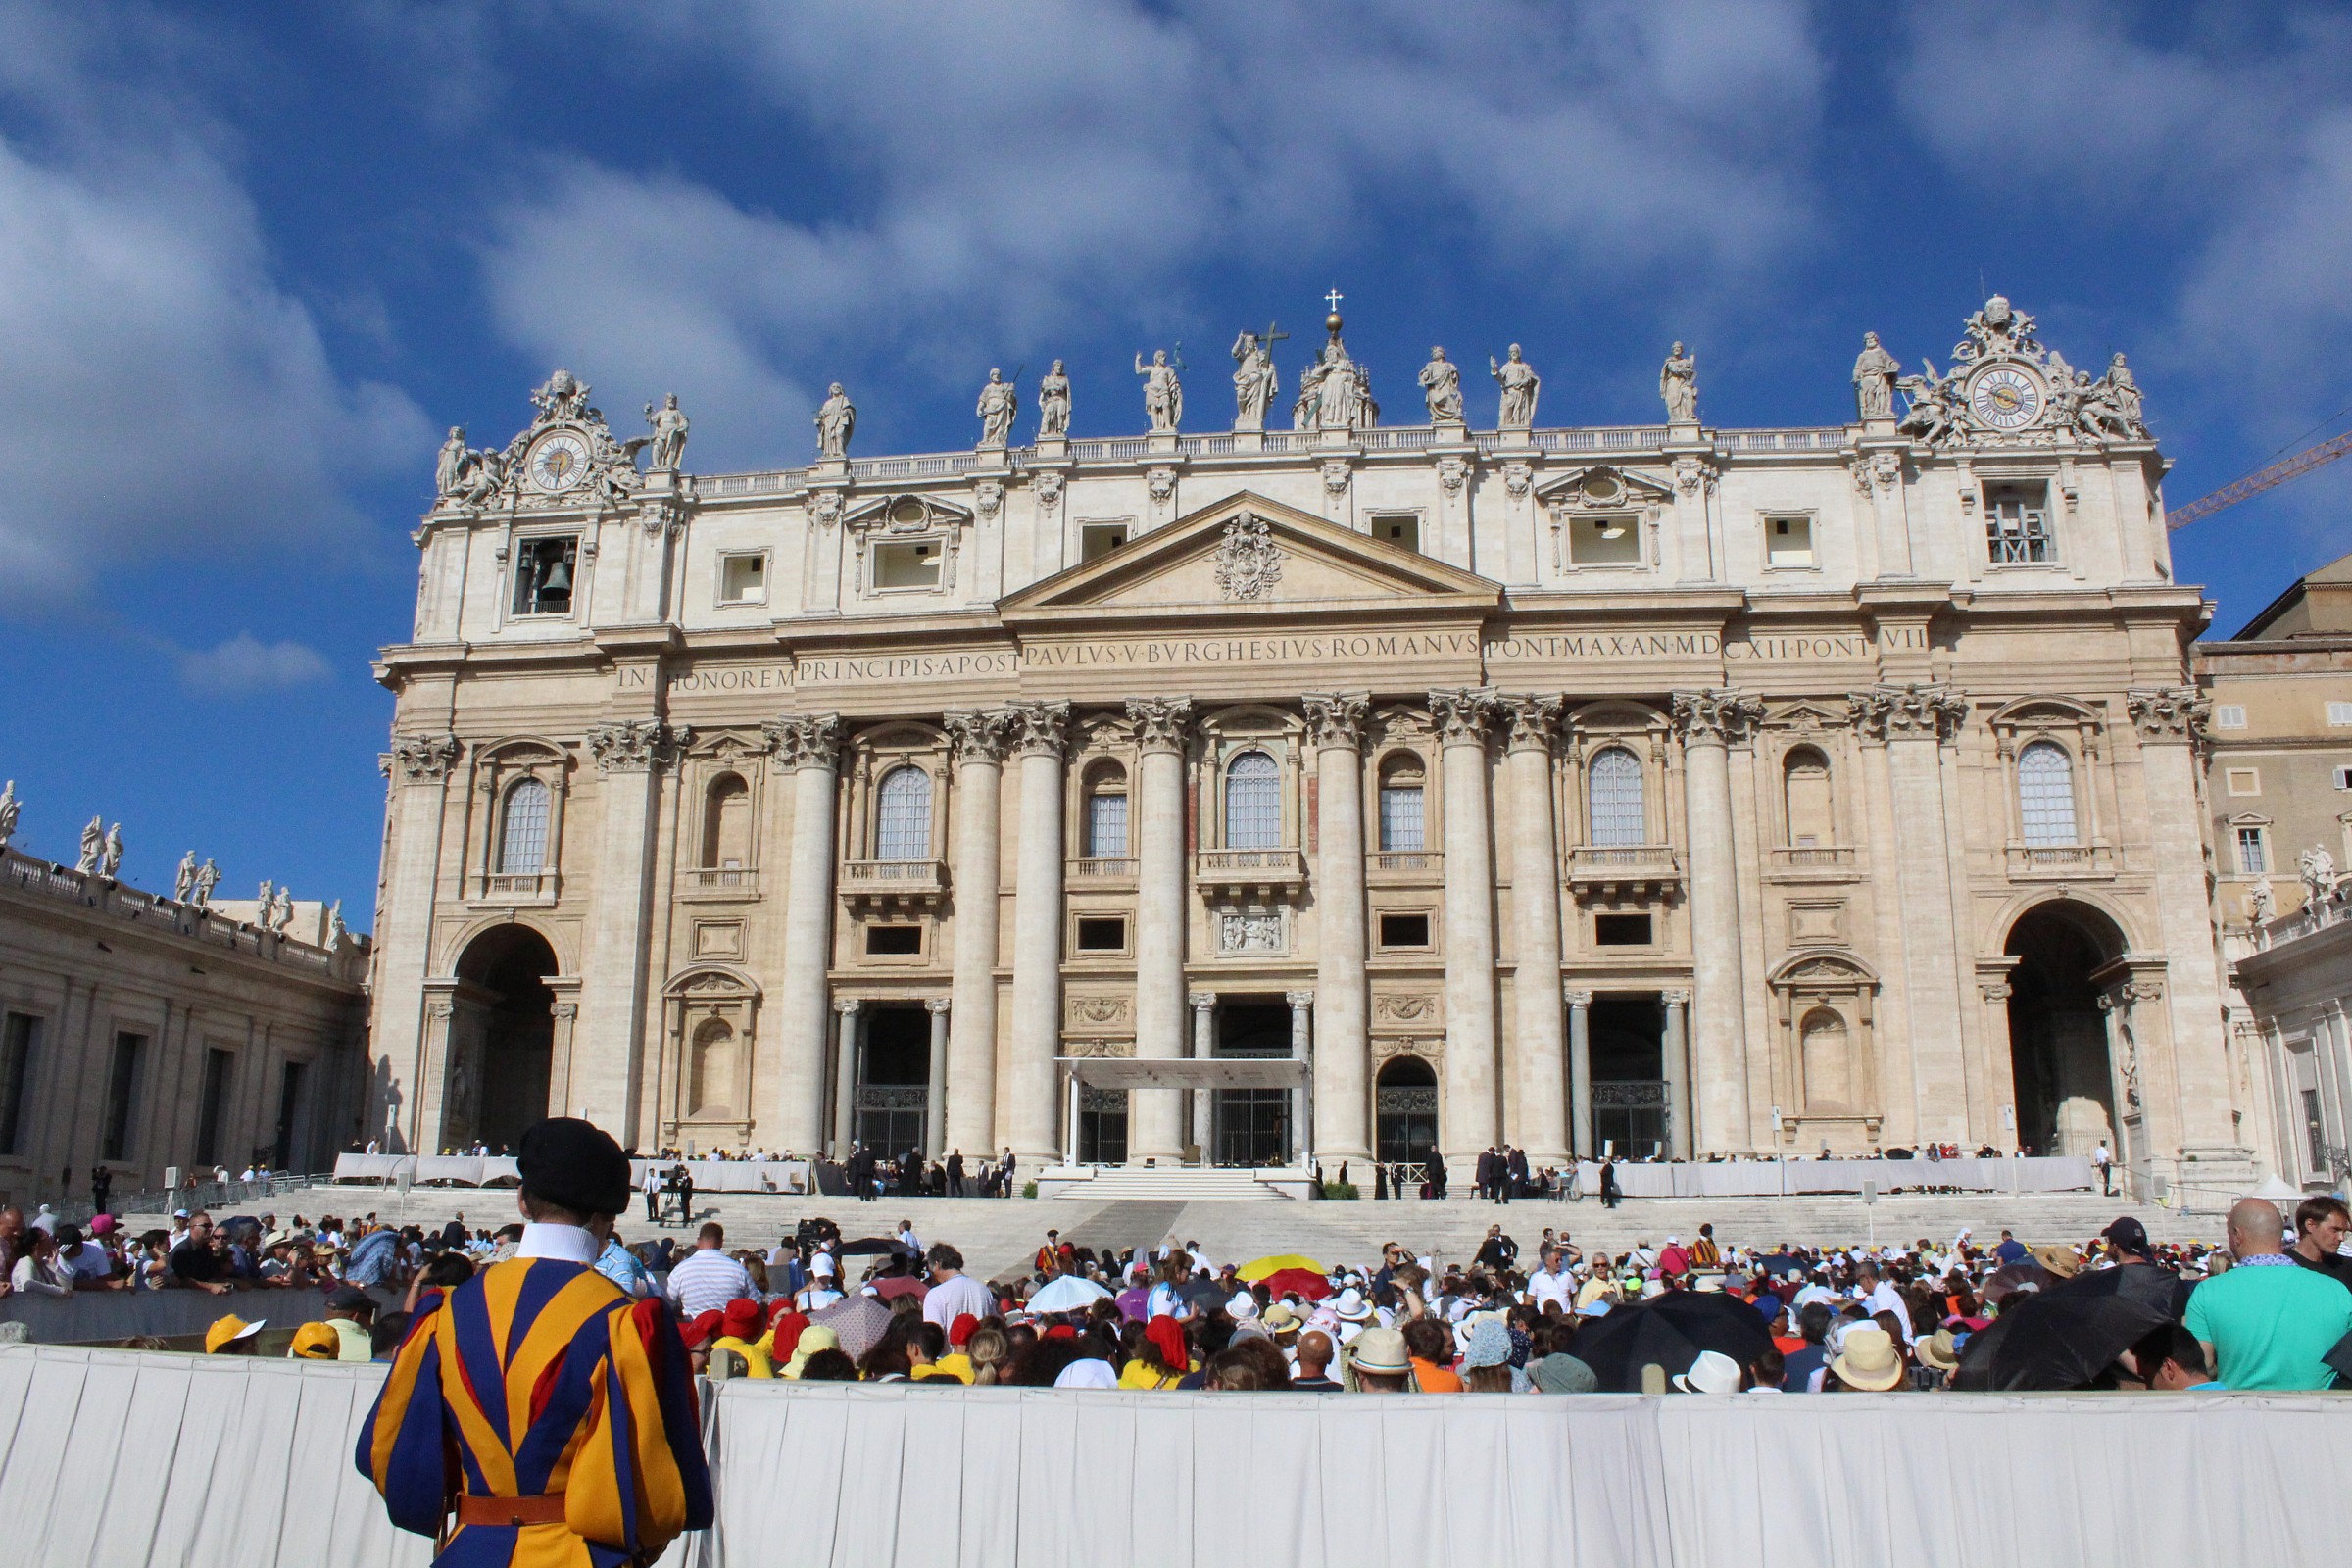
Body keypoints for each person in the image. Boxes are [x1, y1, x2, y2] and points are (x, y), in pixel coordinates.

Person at [357, 1116, 712, 1564]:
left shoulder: (442, 1313)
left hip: (467, 1550)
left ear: (522, 1201)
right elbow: (657, 1489)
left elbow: (391, 1452)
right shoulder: (627, 1323)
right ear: (610, 1216)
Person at [2184, 1197, 2352, 1392]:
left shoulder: (2208, 1292)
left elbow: (2200, 1367)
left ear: (2237, 1235)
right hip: (2321, 1413)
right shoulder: (2336, 1289)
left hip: (2242, 1412)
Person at [666, 1222, 755, 1319]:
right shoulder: (738, 1270)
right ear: (721, 1242)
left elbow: (668, 1302)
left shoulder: (680, 1270)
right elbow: (755, 1303)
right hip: (726, 1328)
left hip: (692, 1328)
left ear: (698, 1241)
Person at [921, 1243, 993, 1329]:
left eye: (930, 1270)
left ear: (938, 1264)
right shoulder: (983, 1290)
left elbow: (933, 1335)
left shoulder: (935, 1295)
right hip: (980, 1341)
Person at [2290, 1195, 2352, 1289]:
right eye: (2335, 1230)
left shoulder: (2346, 1267)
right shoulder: (2283, 1264)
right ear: (2310, 1225)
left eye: (2344, 1232)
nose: (2341, 1238)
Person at [322, 1285, 377, 1362]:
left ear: (327, 1313)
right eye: (369, 1315)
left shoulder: (303, 1342)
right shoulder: (375, 1351)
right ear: (356, 1316)